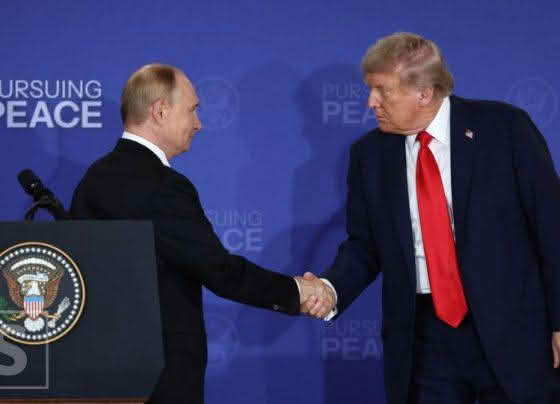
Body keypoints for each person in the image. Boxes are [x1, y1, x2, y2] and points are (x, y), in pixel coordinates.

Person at [302, 32, 560, 403]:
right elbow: (364, 247)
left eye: (382, 91)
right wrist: (330, 288)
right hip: (424, 343)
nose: (371, 102)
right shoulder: (369, 156)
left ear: (424, 93)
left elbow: (551, 227)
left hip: (511, 330)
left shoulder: (505, 129)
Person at [70, 64, 333, 404]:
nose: (198, 124)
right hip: (158, 375)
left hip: (97, 367)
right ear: (160, 111)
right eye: (192, 110)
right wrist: (297, 292)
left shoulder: (94, 178)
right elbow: (218, 270)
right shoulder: (163, 186)